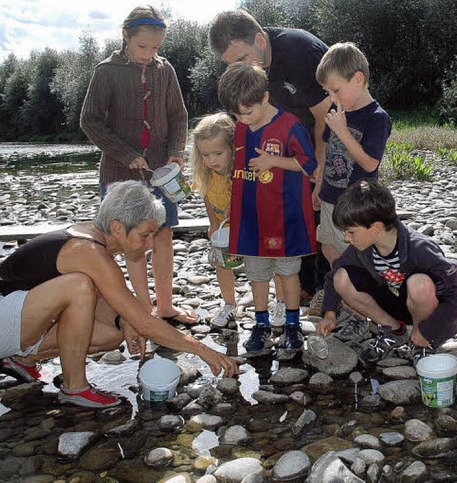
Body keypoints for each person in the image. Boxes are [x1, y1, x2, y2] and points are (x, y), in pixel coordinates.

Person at [0, 181, 239, 408]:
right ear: (116, 227)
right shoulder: (86, 249)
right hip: (5, 316)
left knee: (112, 334)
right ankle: (75, 388)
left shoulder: (94, 238)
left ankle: (22, 360)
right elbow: (144, 322)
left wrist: (124, 319)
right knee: (78, 286)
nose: (150, 245)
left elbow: (112, 299)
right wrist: (205, 351)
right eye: (145, 235)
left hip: (18, 319)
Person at [80, 5, 197, 325]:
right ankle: (144, 310)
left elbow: (179, 116)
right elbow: (89, 121)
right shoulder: (106, 71)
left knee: (162, 235)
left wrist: (176, 152)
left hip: (162, 173)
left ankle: (166, 306)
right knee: (131, 241)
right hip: (120, 173)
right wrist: (125, 153)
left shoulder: (166, 70)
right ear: (125, 36)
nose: (148, 54)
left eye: (156, 47)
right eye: (142, 46)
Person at [209, 9, 332, 309]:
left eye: (241, 59)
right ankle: (302, 285)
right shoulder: (247, 71)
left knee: (325, 207)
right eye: (230, 64)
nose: (237, 68)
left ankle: (331, 291)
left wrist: (319, 169)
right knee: (293, 205)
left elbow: (326, 118)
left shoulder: (299, 51)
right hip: (286, 141)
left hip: (330, 130)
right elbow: (246, 124)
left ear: (260, 41)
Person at [217, 63, 317, 352]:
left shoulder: (291, 125)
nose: (243, 119)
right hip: (250, 218)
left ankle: (292, 324)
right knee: (257, 273)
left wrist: (274, 161)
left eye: (248, 112)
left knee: (288, 272)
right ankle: (261, 323)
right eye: (237, 114)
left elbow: (308, 164)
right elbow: (234, 166)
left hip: (285, 217)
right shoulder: (239, 128)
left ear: (264, 97)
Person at [316, 179, 457, 365]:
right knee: (341, 277)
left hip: (429, 312)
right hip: (397, 303)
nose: (347, 238)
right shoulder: (362, 247)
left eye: (351, 232)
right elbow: (332, 277)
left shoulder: (419, 248)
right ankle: (394, 331)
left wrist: (429, 329)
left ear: (376, 228)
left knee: (419, 284)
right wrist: (330, 315)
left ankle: (422, 342)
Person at [189, 113, 287, 328]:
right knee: (221, 263)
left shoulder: (243, 170)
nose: (212, 160)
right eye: (205, 155)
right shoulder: (207, 173)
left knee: (269, 262)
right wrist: (213, 223)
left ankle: (280, 302)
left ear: (233, 149)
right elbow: (207, 196)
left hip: (253, 224)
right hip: (225, 228)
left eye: (218, 153)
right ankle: (229, 304)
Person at [314, 42, 392, 268]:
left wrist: (343, 131)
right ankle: (337, 291)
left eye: (335, 90)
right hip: (329, 196)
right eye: (327, 92)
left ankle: (355, 295)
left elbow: (370, 164)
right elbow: (327, 151)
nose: (331, 98)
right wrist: (318, 186)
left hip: (356, 203)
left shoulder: (377, 118)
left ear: (358, 79)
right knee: (328, 245)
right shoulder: (336, 111)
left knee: (355, 252)